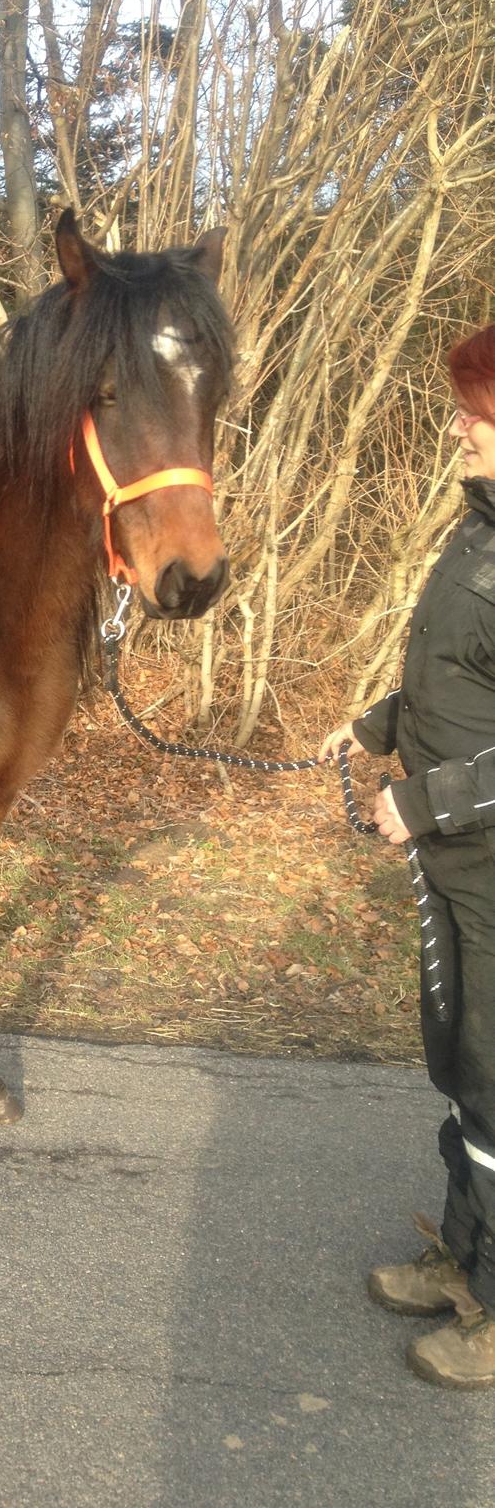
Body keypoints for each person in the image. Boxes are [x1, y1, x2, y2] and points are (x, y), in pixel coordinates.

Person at [319, 323, 495, 1388]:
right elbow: (457, 672)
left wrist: (420, 802)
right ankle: (467, 1259)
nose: (461, 429)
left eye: (479, 413)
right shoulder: (476, 532)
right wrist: (376, 724)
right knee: (465, 1067)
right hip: (458, 862)